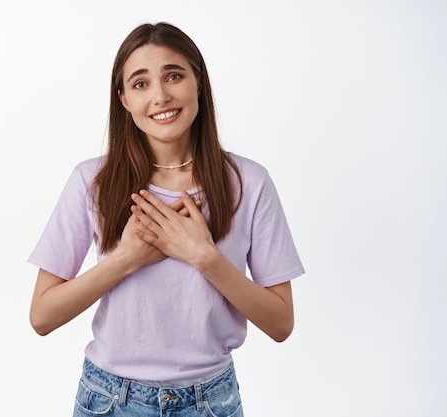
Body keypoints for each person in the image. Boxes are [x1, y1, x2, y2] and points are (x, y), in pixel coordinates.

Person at [28, 22, 304, 417]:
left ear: (198, 83)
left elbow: (281, 324)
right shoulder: (91, 181)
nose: (160, 96)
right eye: (140, 84)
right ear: (123, 99)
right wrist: (127, 259)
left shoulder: (249, 183)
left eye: (174, 76)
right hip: (109, 401)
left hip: (212, 401)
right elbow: (42, 316)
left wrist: (204, 257)